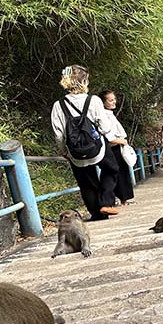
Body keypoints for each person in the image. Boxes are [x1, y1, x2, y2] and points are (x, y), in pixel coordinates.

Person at [50, 65, 120, 221]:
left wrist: (64, 152)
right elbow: (104, 127)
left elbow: (59, 135)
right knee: (112, 169)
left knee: (86, 182)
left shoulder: (58, 105)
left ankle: (96, 214)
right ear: (84, 81)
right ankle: (106, 202)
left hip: (76, 152)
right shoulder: (93, 100)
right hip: (97, 148)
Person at [99, 90, 135, 206]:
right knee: (115, 174)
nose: (114, 102)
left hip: (117, 147)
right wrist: (123, 141)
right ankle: (114, 200)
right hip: (112, 148)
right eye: (110, 100)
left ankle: (123, 200)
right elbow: (109, 137)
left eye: (114, 99)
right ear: (103, 102)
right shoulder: (104, 115)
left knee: (121, 173)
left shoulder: (110, 114)